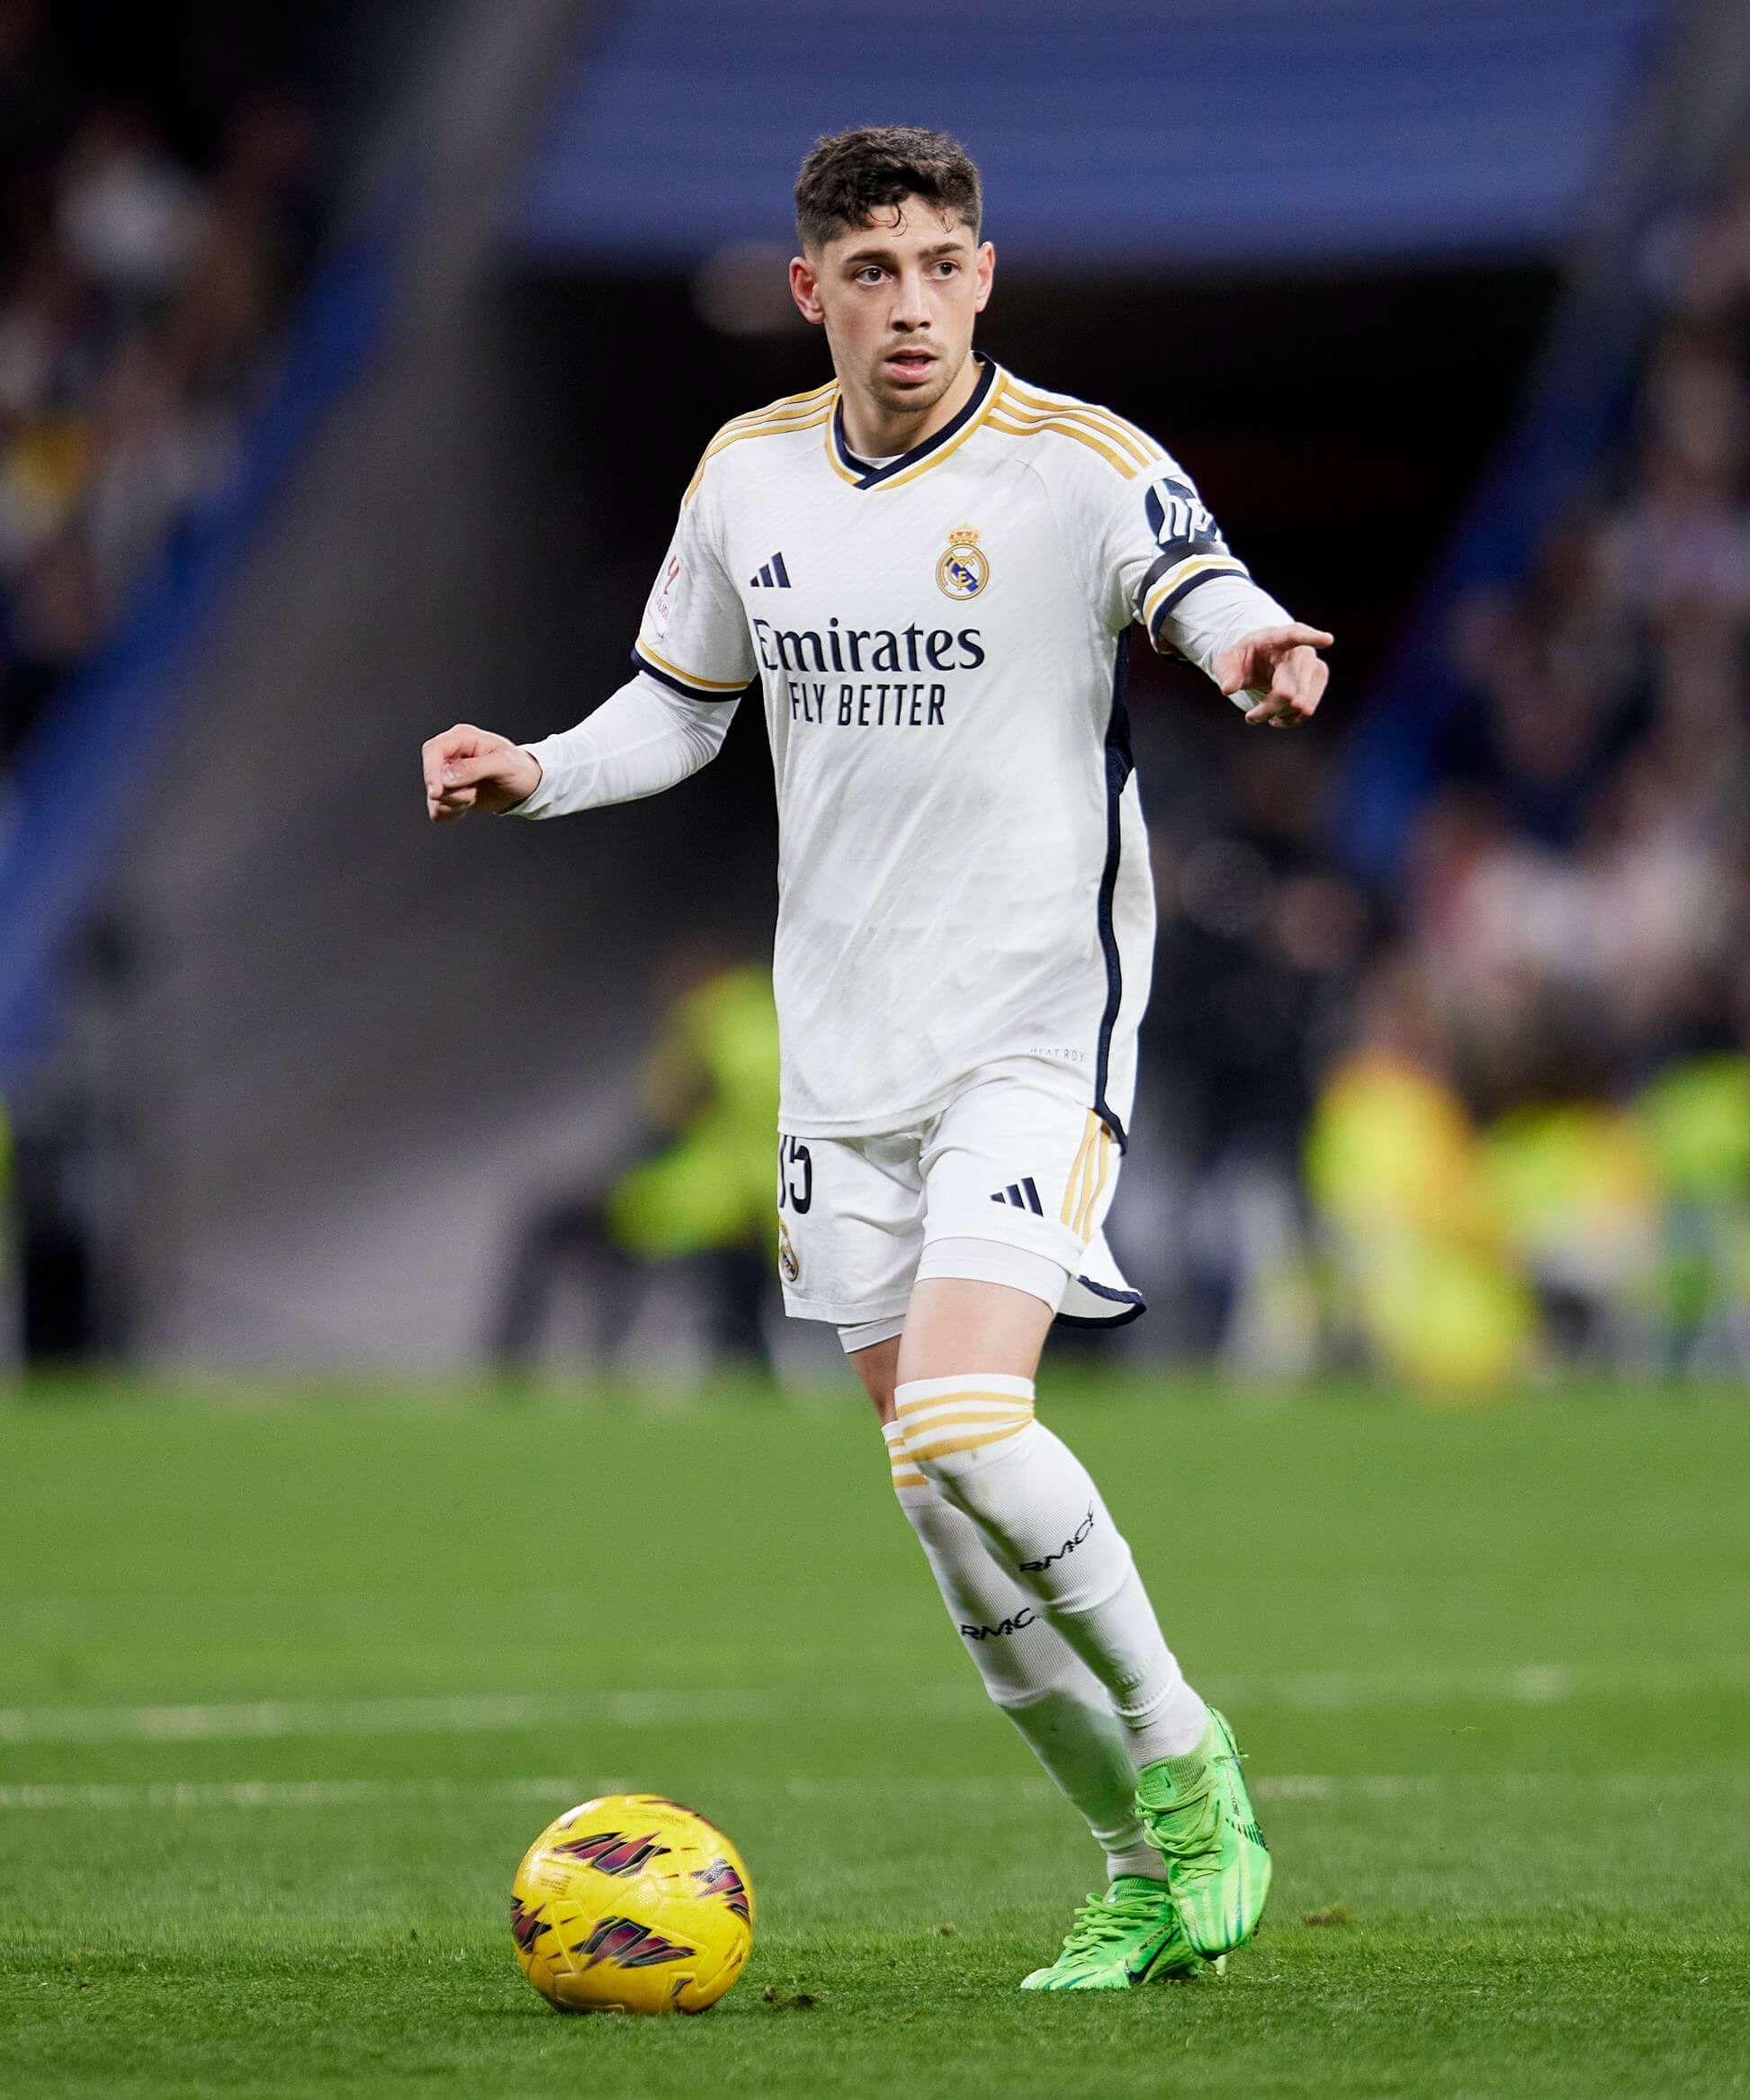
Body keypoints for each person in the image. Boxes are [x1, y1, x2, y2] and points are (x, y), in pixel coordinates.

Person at [421, 127, 1328, 1990]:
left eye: (937, 267)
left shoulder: (1078, 464)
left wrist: (1253, 651)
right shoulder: (748, 476)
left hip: (1028, 1025)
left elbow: (1199, 583)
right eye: (870, 273)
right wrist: (536, 771)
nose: (909, 306)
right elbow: (680, 710)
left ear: (983, 275)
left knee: (965, 1421)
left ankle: (1188, 1766)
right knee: (935, 1499)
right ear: (808, 290)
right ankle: (1133, 1874)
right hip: (840, 1056)